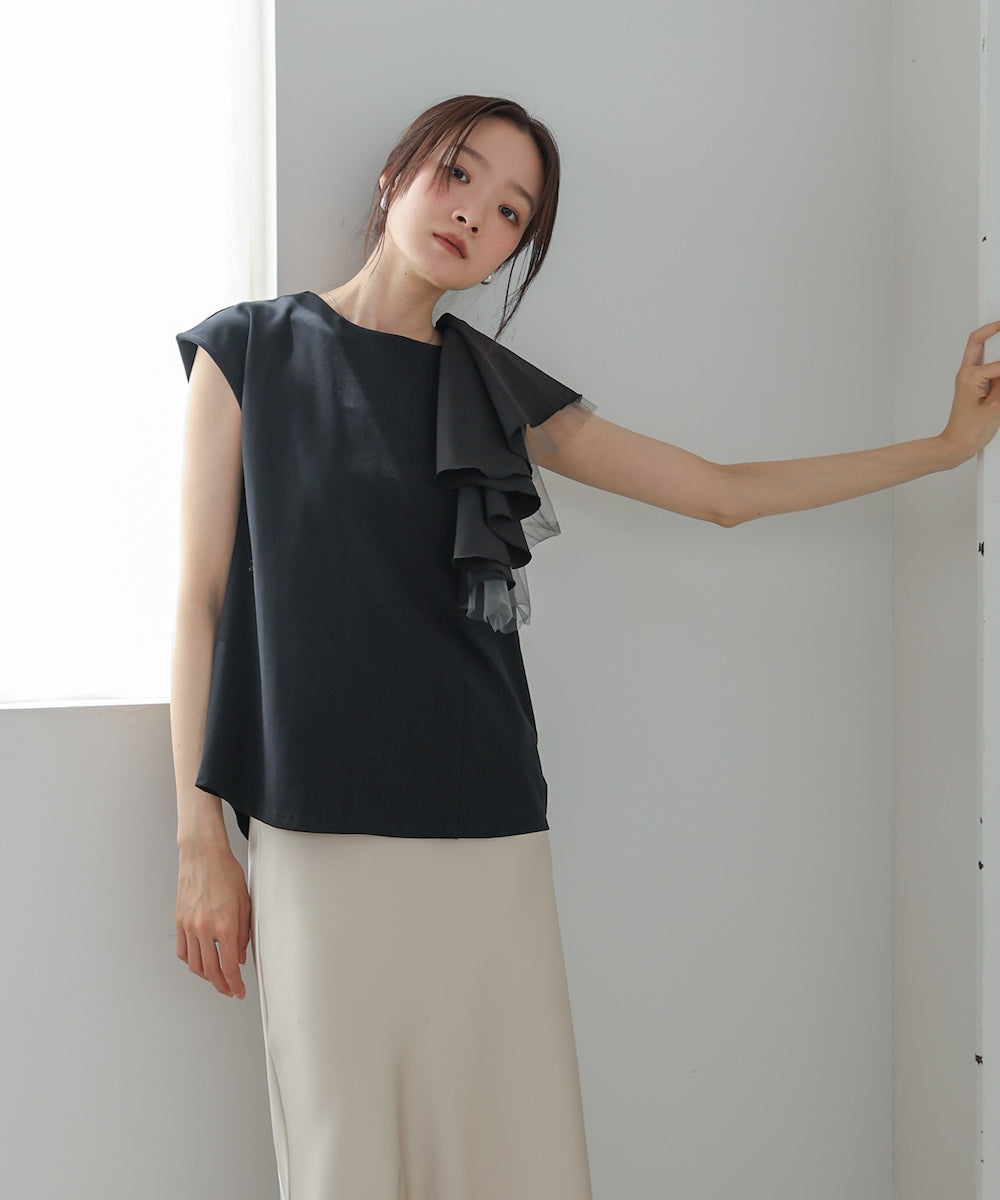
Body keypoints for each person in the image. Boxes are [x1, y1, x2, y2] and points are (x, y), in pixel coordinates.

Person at [171, 94, 1000, 1200]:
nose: (474, 214)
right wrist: (200, 837)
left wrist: (945, 449)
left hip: (484, 817)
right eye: (458, 173)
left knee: (514, 1156)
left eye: (510, 211)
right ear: (396, 174)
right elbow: (200, 601)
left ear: (514, 250)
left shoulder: (492, 386)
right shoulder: (249, 350)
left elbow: (718, 492)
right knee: (342, 1157)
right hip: (314, 824)